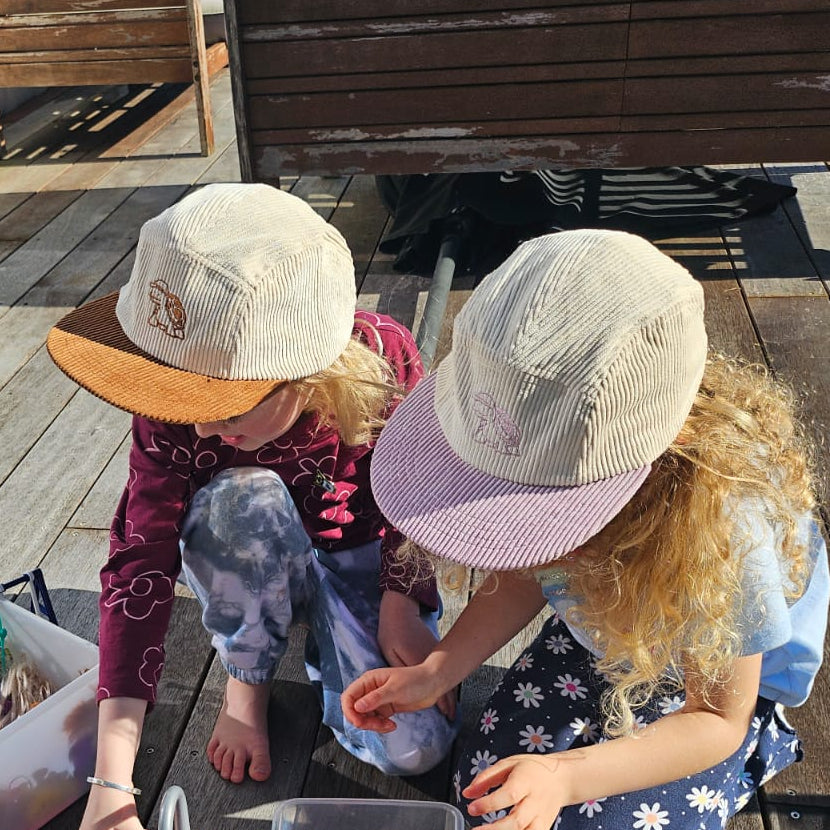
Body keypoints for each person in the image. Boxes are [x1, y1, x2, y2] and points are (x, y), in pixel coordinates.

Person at [342, 229, 830, 830]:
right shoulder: (547, 464)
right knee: (489, 784)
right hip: (601, 633)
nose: (518, 533)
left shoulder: (724, 531)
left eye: (543, 511)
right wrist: (439, 669)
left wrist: (567, 775)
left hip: (710, 685)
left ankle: (762, 751)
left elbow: (716, 718)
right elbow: (526, 574)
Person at [46, 183, 459, 830]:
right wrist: (111, 783)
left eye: (227, 409)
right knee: (244, 498)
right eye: (183, 402)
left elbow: (423, 486)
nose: (200, 429)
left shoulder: (384, 360)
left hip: (358, 546)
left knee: (415, 747)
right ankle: (246, 682)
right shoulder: (175, 411)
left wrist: (402, 599)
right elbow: (139, 565)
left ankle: (324, 623)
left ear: (308, 373)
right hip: (244, 549)